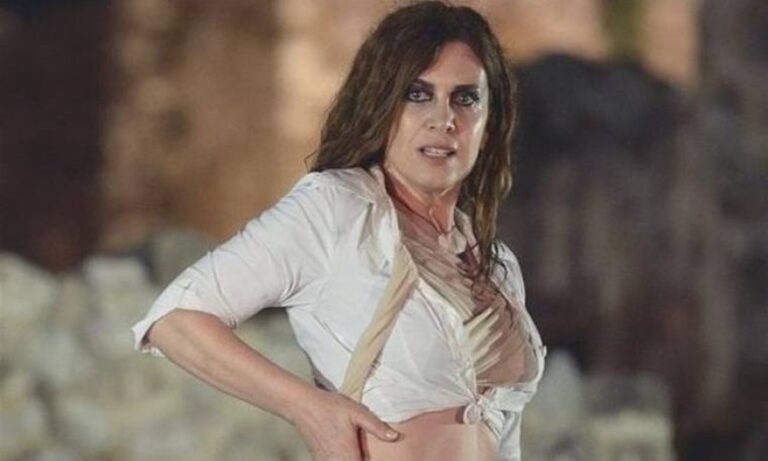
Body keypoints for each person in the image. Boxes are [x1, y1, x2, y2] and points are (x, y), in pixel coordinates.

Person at [131, 2, 546, 460]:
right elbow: (176, 321)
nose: (443, 119)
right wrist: (308, 409)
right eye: (417, 94)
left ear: (489, 122)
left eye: (465, 98)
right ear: (382, 104)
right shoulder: (337, 209)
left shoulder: (496, 266)